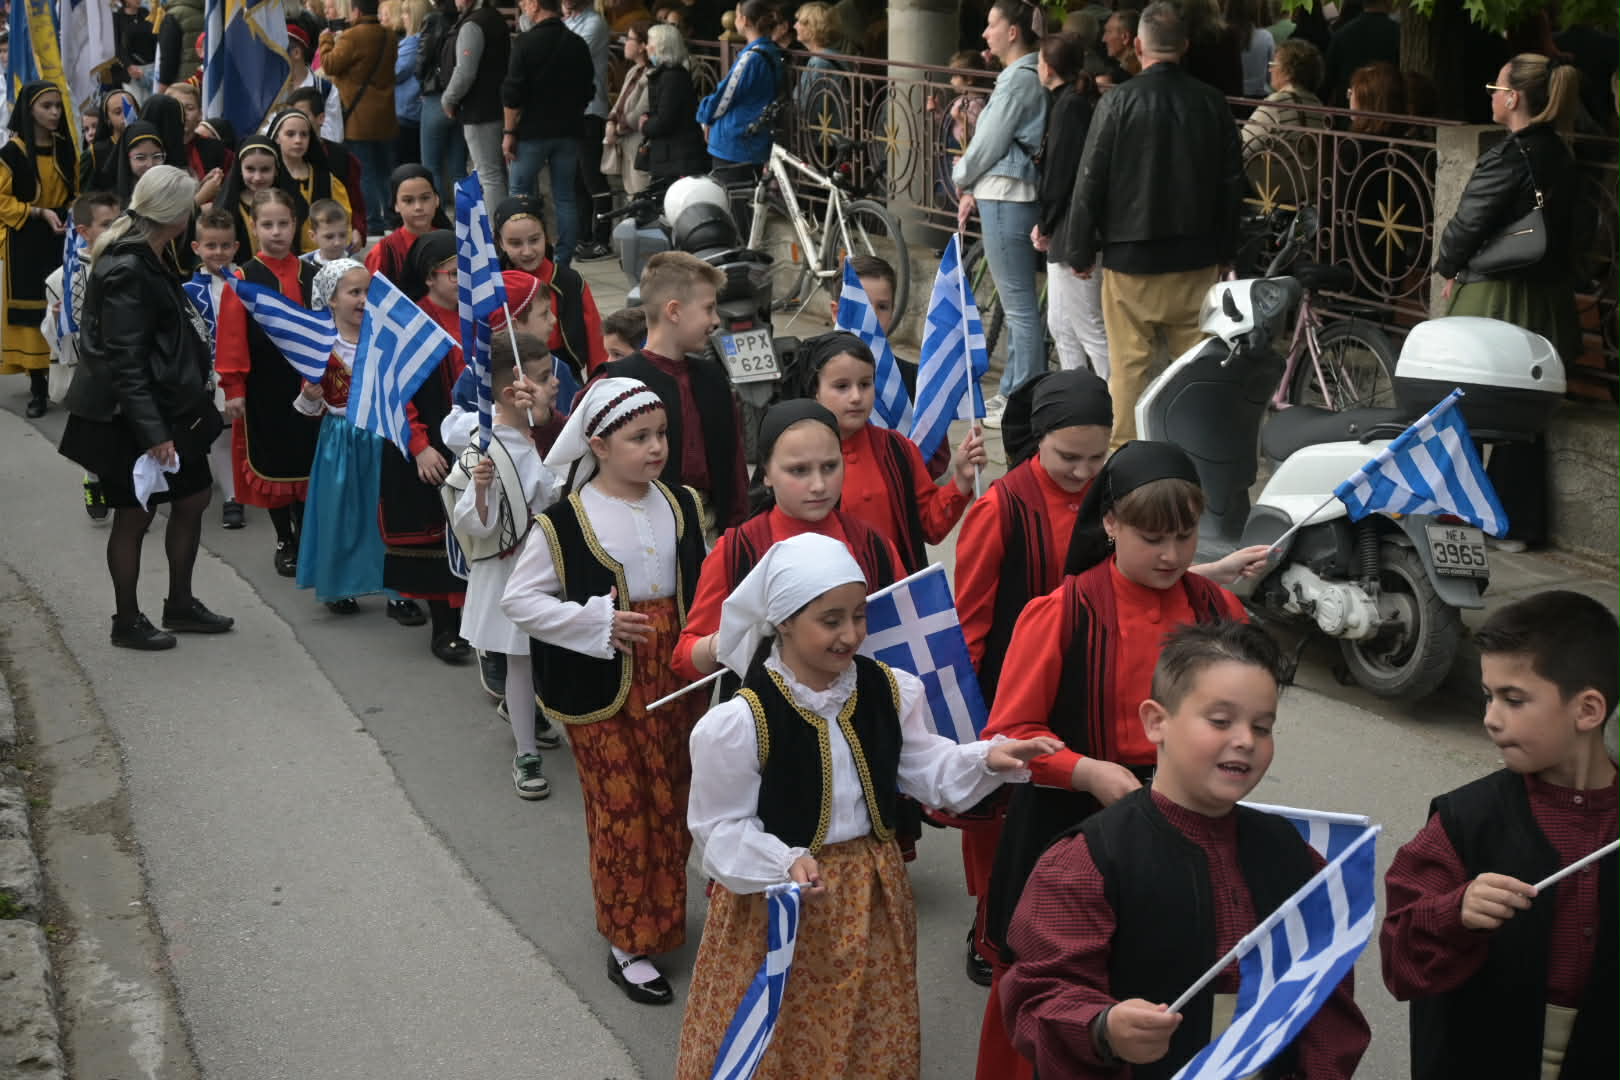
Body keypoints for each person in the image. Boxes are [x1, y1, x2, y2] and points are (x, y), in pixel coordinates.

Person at [675, 532, 1062, 1076]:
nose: (851, 634)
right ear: (783, 622)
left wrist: (986, 759)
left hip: (870, 892)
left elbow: (924, 767)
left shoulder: (888, 690)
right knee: (784, 1037)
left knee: (870, 1032)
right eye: (831, 620)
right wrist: (782, 861)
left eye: (858, 616)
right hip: (779, 901)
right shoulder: (741, 721)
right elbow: (719, 828)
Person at [971, 440, 1270, 1080]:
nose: (1171, 556)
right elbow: (1009, 734)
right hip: (1068, 824)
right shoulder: (1061, 612)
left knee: (1170, 981)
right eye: (1151, 538)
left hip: (1188, 824)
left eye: (1185, 537)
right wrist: (1087, 771)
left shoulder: (1219, 610)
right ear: (1109, 523)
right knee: (1055, 986)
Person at [1001, 620, 1372, 1079]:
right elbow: (1039, 995)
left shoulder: (1293, 854)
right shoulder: (1089, 860)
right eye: (1220, 721)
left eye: (1262, 727)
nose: (1245, 740)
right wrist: (1103, 1028)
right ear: (1156, 722)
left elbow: (1323, 992)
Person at [500, 376, 708, 1005]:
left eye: (661, 434)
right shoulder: (566, 521)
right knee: (623, 808)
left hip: (674, 673)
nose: (656, 447)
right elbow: (520, 601)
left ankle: (664, 916)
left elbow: (701, 580)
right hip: (604, 680)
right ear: (598, 444)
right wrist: (596, 623)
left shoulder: (680, 503)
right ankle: (628, 941)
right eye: (639, 437)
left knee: (673, 798)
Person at [1380, 589, 1620, 1080]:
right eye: (1488, 696)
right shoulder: (1464, 821)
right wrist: (1455, 913)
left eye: (1513, 700)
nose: (1490, 718)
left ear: (1588, 710)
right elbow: (1401, 964)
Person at [946, 368, 1111, 986]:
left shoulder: (1111, 495)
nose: (1083, 472)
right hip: (1010, 691)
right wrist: (970, 718)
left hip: (1086, 685)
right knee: (1003, 827)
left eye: (1096, 458)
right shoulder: (1001, 507)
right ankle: (990, 929)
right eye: (1069, 457)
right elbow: (970, 620)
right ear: (1038, 438)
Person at [58, 165, 234, 650]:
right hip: (127, 417)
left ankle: (180, 604)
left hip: (166, 406)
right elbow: (125, 363)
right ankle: (127, 620)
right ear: (174, 217)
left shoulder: (148, 247)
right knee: (134, 516)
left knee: (193, 497)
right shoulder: (127, 269)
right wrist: (154, 433)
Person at [1062, 1, 1243, 450]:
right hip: (1196, 256)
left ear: (1138, 46)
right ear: (1185, 45)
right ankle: (1194, 453)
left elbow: (1091, 179)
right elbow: (1231, 184)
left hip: (1130, 258)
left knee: (1128, 367)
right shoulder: (1211, 102)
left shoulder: (1117, 101)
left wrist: (1078, 249)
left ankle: (1124, 456)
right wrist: (1227, 251)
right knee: (1193, 366)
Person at [1433, 55, 1581, 552]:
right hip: (1548, 299)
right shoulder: (1561, 152)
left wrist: (1449, 267)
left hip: (1497, 296)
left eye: (1496, 88)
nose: (1492, 96)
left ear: (1514, 98)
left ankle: (1460, 514)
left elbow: (1468, 224)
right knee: (1524, 414)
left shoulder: (1509, 157)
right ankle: (1517, 524)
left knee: (1463, 404)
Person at [672, 399, 902, 681]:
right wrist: (723, 644)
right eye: (799, 470)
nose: (818, 485)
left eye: (830, 466)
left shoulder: (873, 545)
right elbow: (685, 659)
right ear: (766, 473)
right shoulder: (737, 551)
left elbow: (908, 627)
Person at [448, 331, 562, 798]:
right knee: (520, 659)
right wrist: (479, 489)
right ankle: (525, 752)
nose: (555, 383)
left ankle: (527, 714)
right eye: (544, 377)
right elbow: (475, 524)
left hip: (549, 565)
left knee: (544, 656)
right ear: (512, 392)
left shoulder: (536, 435)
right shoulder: (487, 446)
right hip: (513, 569)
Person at [785, 331, 985, 573]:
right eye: (842, 386)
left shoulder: (896, 448)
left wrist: (961, 480)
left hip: (894, 587)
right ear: (815, 391)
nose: (856, 397)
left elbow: (930, 526)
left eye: (865, 384)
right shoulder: (792, 454)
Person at [595, 251, 747, 530]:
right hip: (638, 529)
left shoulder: (713, 377)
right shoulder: (616, 382)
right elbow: (579, 461)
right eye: (708, 309)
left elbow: (734, 464)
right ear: (674, 311)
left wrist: (737, 531)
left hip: (710, 528)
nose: (715, 320)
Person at [954, 0, 1049, 428]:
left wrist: (961, 175)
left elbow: (989, 141)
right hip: (1013, 192)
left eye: (991, 25)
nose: (985, 33)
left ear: (1013, 32)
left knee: (1018, 305)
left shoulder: (1017, 79)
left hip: (1007, 193)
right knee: (1018, 304)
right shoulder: (1028, 74)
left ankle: (1020, 398)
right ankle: (1015, 389)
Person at [222, 188, 320, 576]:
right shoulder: (243, 278)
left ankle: (308, 536)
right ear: (254, 226)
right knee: (275, 463)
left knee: (309, 461)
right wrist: (234, 388)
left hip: (311, 387)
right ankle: (285, 539)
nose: (276, 232)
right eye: (267, 224)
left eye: (283, 223)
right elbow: (232, 337)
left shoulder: (313, 275)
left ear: (296, 225)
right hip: (265, 387)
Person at [383, 229, 470, 658]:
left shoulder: (480, 316)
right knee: (437, 533)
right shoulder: (412, 325)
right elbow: (395, 392)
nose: (463, 281)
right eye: (453, 274)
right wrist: (419, 445)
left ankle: (477, 623)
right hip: (431, 444)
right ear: (430, 278)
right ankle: (444, 627)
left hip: (475, 440)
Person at [44, 192, 124, 523]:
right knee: (93, 435)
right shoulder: (60, 278)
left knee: (122, 432)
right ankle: (93, 480)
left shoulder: (127, 265)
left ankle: (123, 492)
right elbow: (52, 334)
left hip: (123, 365)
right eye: (106, 224)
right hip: (85, 370)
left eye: (119, 222)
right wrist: (56, 318)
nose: (115, 230)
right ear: (83, 231)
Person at [1033, 32, 1106, 378]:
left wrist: (1044, 223)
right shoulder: (1069, 103)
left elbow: (1060, 174)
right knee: (1061, 323)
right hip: (1067, 225)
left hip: (1073, 227)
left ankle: (1110, 401)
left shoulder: (1069, 107)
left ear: (1048, 68)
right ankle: (1075, 397)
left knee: (1088, 327)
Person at [1, 82, 76, 417]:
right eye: (47, 106)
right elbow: (2, 199)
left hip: (61, 236)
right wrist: (38, 212)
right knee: (32, 311)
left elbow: (76, 189)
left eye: (57, 106)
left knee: (61, 305)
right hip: (27, 239)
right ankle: (37, 387)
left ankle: (65, 380)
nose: (55, 112)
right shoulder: (11, 153)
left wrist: (71, 211)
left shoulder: (65, 148)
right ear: (29, 110)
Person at [500, 0, 595, 266]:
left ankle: (520, 253)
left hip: (531, 131)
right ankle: (563, 260)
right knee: (565, 196)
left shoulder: (525, 43)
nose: (522, 6)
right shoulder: (577, 43)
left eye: (525, 2)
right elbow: (589, 90)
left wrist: (509, 131)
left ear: (535, 5)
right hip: (569, 130)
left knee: (519, 194)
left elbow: (512, 94)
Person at [493, 193, 609, 379]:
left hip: (565, 376)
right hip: (511, 377)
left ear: (546, 237)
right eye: (515, 243)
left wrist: (600, 382)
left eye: (534, 240)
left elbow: (596, 343)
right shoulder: (493, 286)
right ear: (500, 243)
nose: (527, 251)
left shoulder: (570, 282)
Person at [185, 206, 252, 531]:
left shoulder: (248, 282)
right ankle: (232, 497)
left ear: (236, 246)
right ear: (196, 247)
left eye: (225, 245)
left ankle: (256, 482)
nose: (219, 252)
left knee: (249, 431)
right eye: (211, 245)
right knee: (222, 436)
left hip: (249, 370)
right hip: (211, 376)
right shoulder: (187, 292)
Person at [320, 0, 399, 238]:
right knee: (385, 170)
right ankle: (393, 215)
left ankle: (373, 220)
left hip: (357, 117)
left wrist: (326, 40)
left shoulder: (352, 36)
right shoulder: (389, 36)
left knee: (364, 171)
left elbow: (329, 64)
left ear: (356, 11)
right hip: (385, 114)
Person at [697, 0, 785, 184]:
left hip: (736, 140)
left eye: (736, 15)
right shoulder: (772, 51)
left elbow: (724, 96)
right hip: (754, 137)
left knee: (730, 197)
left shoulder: (752, 57)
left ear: (744, 20)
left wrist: (706, 117)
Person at [1240, 37, 1327, 208]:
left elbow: (1242, 147)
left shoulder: (1276, 104)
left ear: (1288, 72)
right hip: (1311, 198)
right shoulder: (1318, 105)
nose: (1270, 69)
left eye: (1273, 64)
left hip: (1273, 199)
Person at [440, 0, 512, 204]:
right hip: (500, 106)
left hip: (479, 111)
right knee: (500, 174)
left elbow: (464, 72)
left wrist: (448, 99)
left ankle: (495, 224)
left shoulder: (473, 24)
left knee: (489, 175)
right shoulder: (495, 18)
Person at [286, 88, 370, 249]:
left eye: (302, 115)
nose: (295, 120)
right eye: (289, 115)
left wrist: (357, 229)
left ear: (321, 118)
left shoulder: (340, 157)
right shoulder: (279, 158)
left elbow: (355, 202)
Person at [563, 0, 615, 261]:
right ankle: (583, 237)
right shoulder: (567, 21)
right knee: (576, 179)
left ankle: (601, 240)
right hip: (571, 110)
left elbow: (569, 54)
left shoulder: (594, 23)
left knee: (592, 176)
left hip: (591, 110)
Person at [268, 106, 352, 253]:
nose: (298, 140)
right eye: (290, 134)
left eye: (304, 134)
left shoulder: (327, 178)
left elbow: (344, 218)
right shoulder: (269, 178)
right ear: (277, 137)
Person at [640, 24, 708, 188]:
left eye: (649, 42)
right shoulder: (669, 75)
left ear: (661, 47)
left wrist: (645, 125)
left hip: (676, 159)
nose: (646, 47)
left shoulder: (672, 78)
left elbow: (665, 120)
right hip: (670, 156)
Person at [415, 0, 469, 201]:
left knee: (431, 166)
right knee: (458, 168)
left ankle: (438, 216)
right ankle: (465, 216)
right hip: (461, 97)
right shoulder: (466, 19)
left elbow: (423, 58)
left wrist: (420, 78)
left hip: (436, 95)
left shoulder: (433, 19)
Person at [215, 136, 295, 262]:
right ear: (240, 169)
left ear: (276, 170)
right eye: (250, 169)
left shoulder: (291, 203)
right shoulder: (227, 207)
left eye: (265, 169)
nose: (257, 177)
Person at [366, 164, 450, 281]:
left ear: (437, 199)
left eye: (425, 198)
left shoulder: (452, 244)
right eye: (408, 200)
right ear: (396, 205)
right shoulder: (383, 252)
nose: (418, 207)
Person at [603, 20, 654, 197]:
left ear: (642, 46)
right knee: (630, 196)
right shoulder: (633, 71)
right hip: (626, 145)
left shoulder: (652, 74)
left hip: (640, 147)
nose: (625, 42)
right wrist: (610, 121)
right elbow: (619, 103)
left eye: (629, 38)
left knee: (641, 197)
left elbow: (640, 111)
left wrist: (616, 129)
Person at [281, 20, 347, 144]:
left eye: (278, 52)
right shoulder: (271, 91)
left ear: (296, 53)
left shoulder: (326, 89)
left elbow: (334, 136)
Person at [1322, 0, 1398, 107]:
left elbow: (1328, 80)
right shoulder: (1398, 33)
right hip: (1386, 106)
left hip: (1347, 108)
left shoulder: (1341, 35)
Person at [1179, 0, 1243, 97]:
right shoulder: (1229, 35)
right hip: (1224, 97)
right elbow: (1236, 75)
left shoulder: (1184, 37)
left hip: (1190, 98)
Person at [80, 90, 138, 194]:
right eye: (118, 112)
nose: (125, 115)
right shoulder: (95, 153)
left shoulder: (148, 142)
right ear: (107, 119)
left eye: (129, 109)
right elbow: (86, 195)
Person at [395, 0, 429, 166]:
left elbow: (395, 72)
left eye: (406, 13)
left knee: (407, 163)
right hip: (414, 109)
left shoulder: (412, 43)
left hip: (407, 110)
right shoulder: (424, 40)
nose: (402, 17)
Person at [1231, 0, 1275, 97]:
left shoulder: (1222, 36)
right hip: (1260, 97)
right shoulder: (1266, 37)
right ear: (1256, 10)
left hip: (1231, 96)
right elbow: (1271, 73)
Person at [300, 198, 354, 266]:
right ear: (312, 236)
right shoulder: (303, 267)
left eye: (343, 235)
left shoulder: (356, 266)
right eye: (329, 237)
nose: (337, 243)